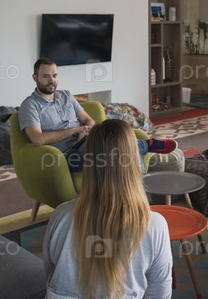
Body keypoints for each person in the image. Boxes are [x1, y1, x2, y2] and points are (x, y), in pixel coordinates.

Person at [43, 118, 173, 298]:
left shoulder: (60, 215)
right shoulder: (155, 225)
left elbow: (50, 273)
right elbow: (159, 293)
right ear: (135, 162)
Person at [19, 57, 177, 171]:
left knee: (117, 134)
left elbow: (89, 120)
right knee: (116, 147)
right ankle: (146, 145)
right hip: (69, 155)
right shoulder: (30, 105)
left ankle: (135, 185)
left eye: (54, 75)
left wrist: (85, 131)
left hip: (87, 141)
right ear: (35, 77)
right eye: (45, 76)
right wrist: (75, 131)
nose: (51, 80)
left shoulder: (65, 95)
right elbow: (38, 139)